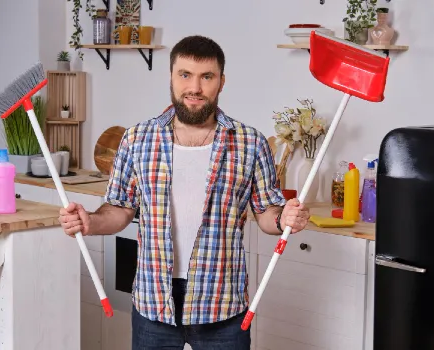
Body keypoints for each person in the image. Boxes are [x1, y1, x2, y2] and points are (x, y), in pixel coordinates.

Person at [59, 35, 311, 349]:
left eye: (207, 76)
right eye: (185, 75)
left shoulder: (250, 143)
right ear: (171, 77)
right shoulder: (137, 139)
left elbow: (266, 213)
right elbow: (120, 209)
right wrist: (89, 222)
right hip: (155, 303)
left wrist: (284, 217)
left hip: (222, 304)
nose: (195, 87)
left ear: (221, 82)